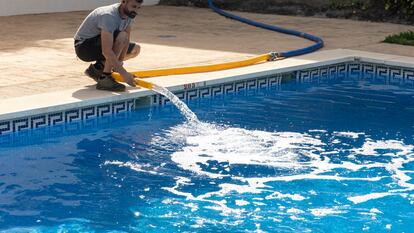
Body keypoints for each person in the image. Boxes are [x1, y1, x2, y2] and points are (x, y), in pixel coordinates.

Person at [74, 0, 142, 92]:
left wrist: (119, 64)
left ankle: (97, 69)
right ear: (123, 2)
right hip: (84, 47)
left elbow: (126, 41)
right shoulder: (109, 15)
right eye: (134, 7)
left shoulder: (130, 14)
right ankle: (105, 78)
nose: (136, 11)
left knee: (135, 49)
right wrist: (124, 74)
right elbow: (106, 51)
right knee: (121, 36)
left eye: (138, 7)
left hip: (98, 43)